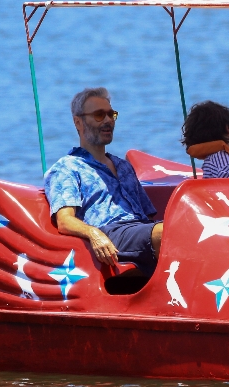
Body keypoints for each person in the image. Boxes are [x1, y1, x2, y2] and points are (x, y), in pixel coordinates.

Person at [44, 87, 162, 275]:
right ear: (78, 122)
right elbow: (65, 221)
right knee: (169, 233)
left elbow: (147, 216)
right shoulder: (67, 168)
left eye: (111, 114)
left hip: (140, 231)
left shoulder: (123, 166)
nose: (108, 120)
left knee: (186, 227)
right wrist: (94, 234)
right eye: (99, 115)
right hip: (110, 233)